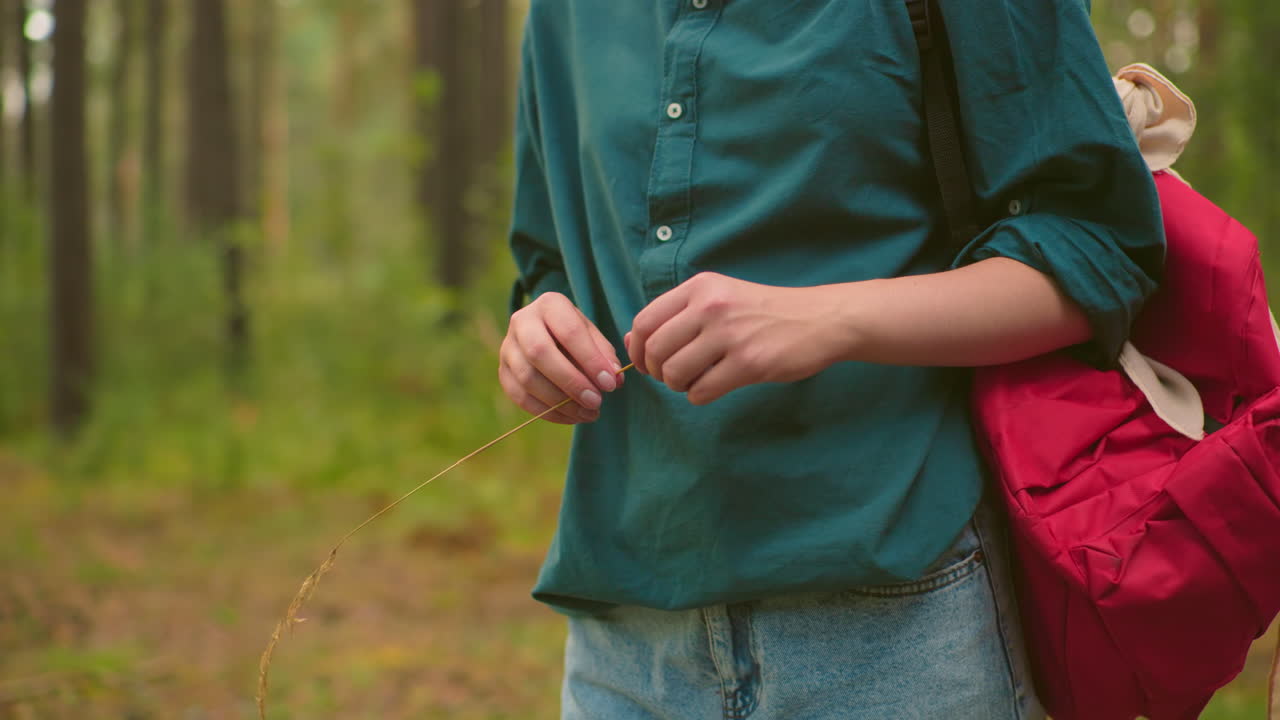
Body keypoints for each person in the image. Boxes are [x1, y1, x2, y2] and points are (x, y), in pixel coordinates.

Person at [499, 1, 1163, 718]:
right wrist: (539, 336)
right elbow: (551, 263)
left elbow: (1099, 250)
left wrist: (829, 318)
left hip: (900, 627)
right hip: (624, 642)